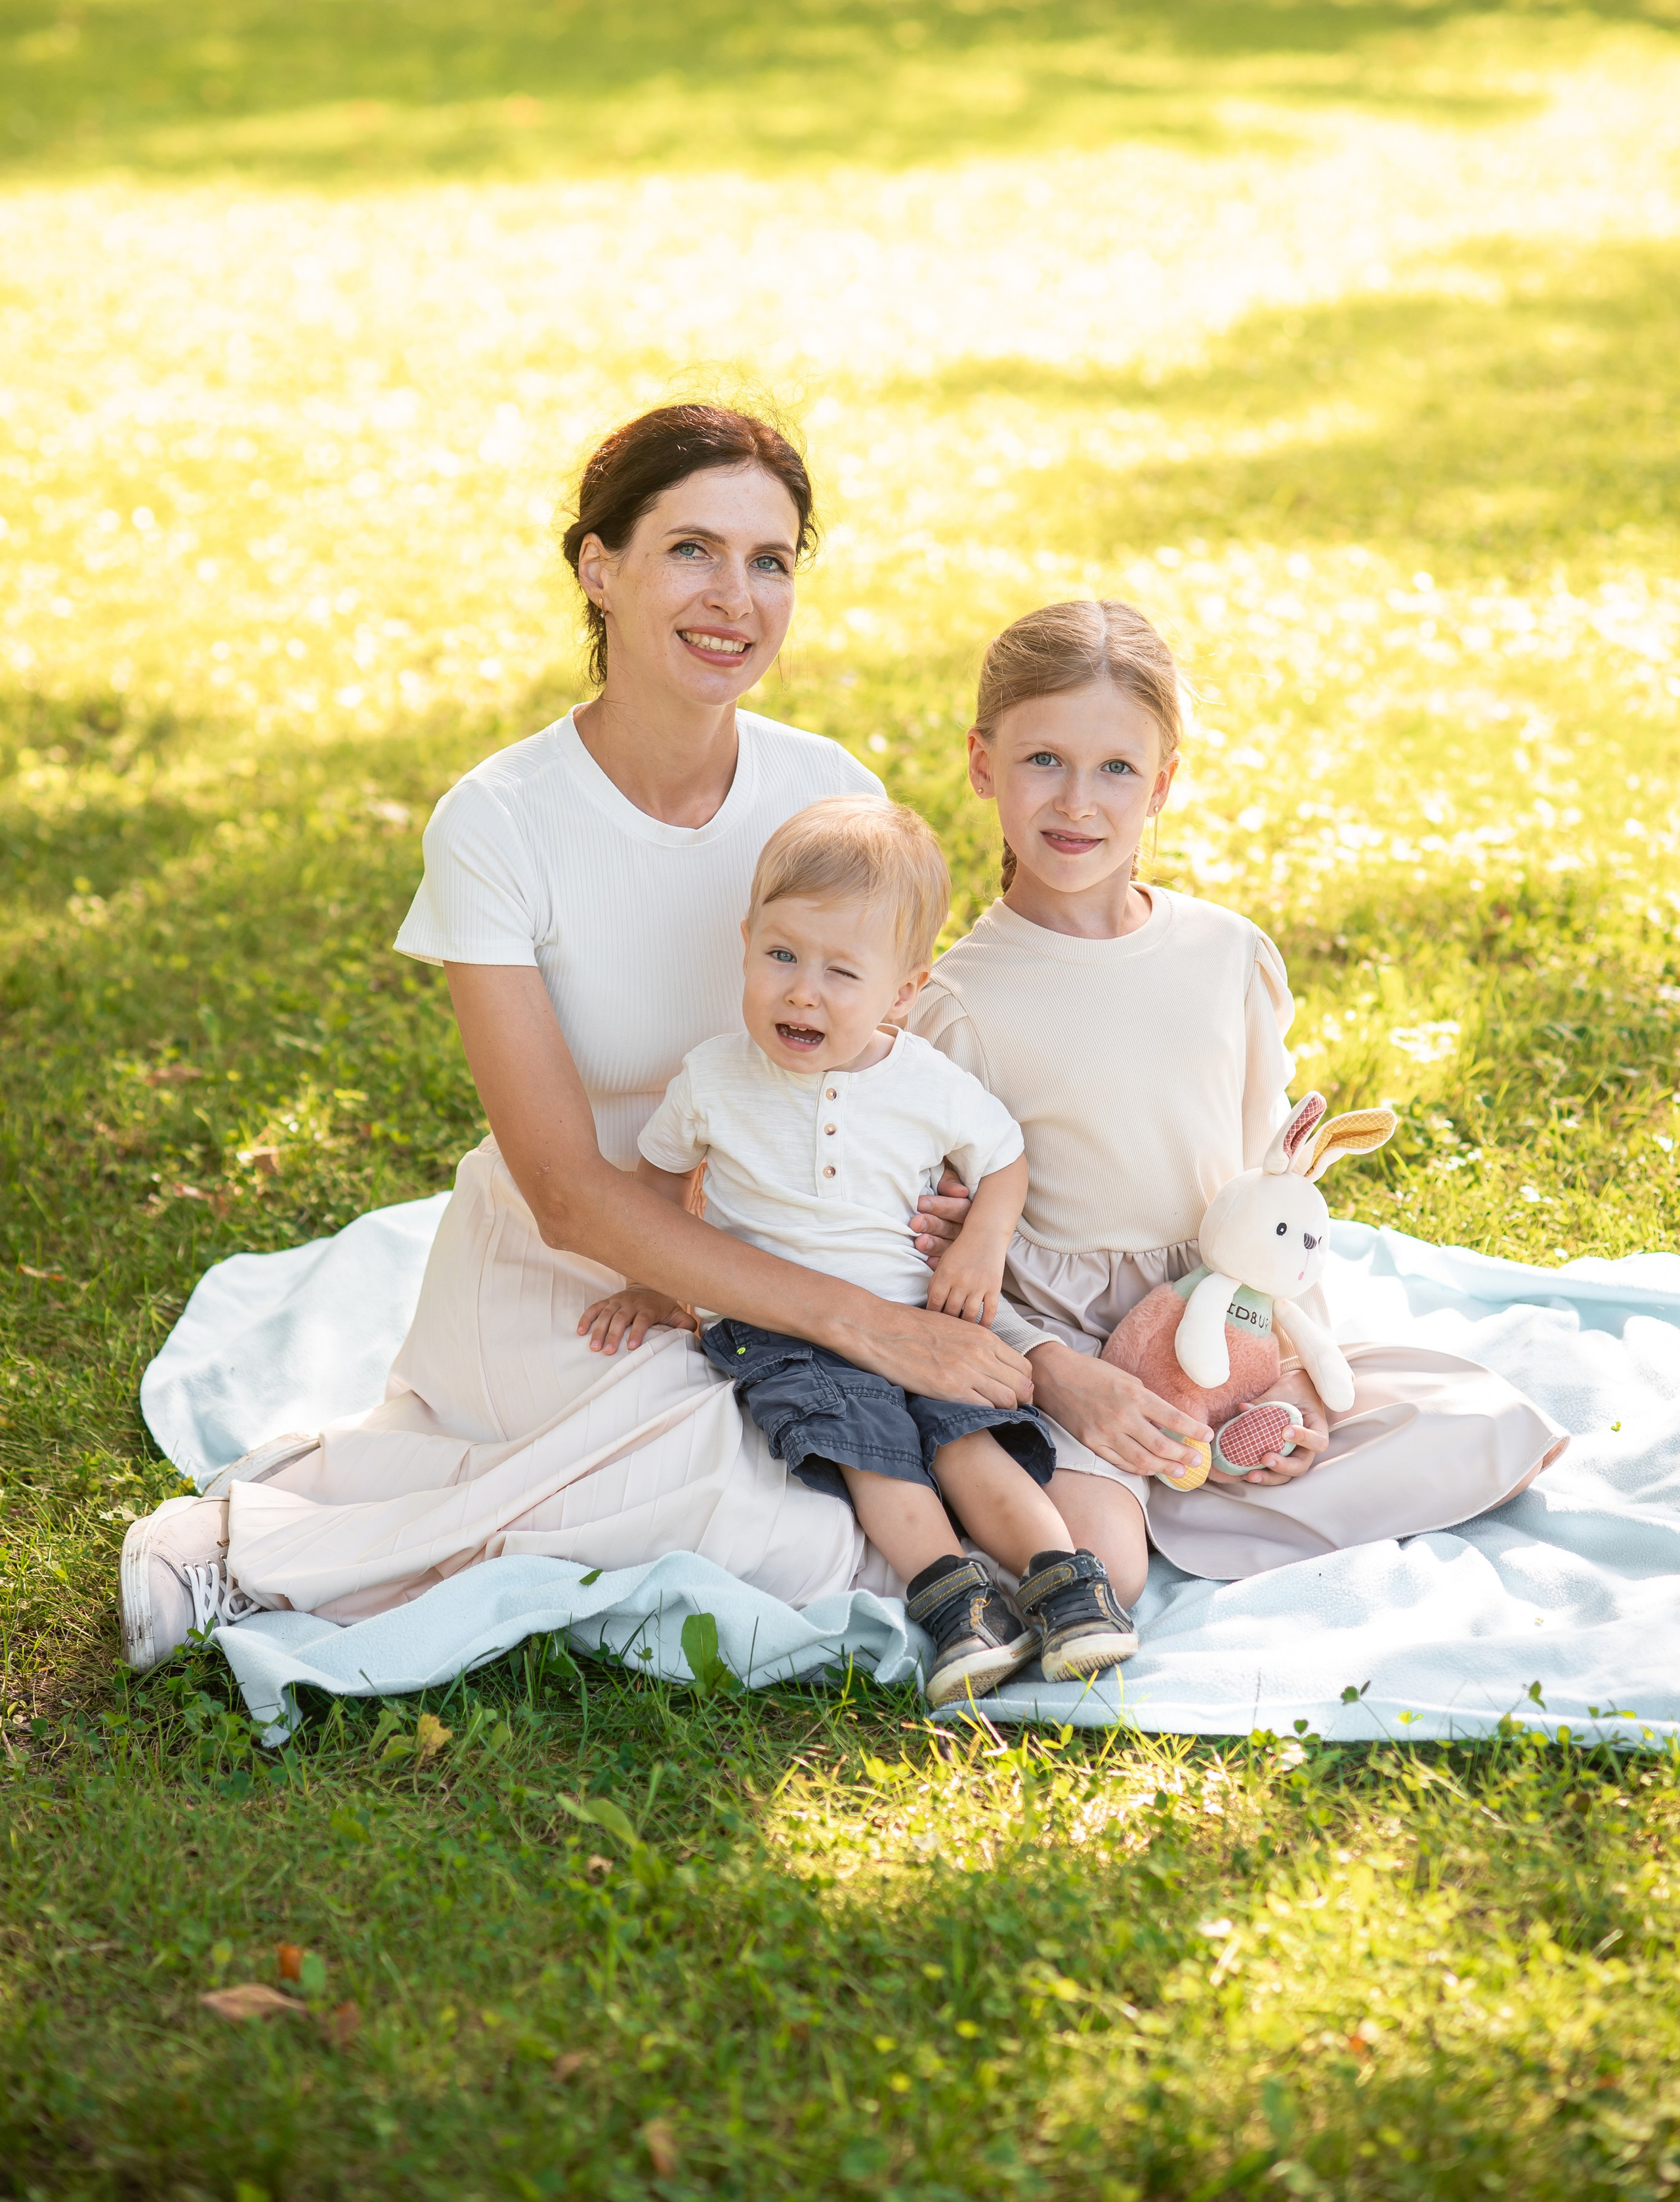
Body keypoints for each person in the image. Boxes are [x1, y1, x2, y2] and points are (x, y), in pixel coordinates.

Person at [119, 404, 1035, 1672]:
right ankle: (250, 1542)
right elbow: (560, 1189)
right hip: (583, 1272)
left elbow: (883, 1057)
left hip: (782, 1237)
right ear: (598, 567)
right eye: (692, 551)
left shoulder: (825, 790)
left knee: (859, 1484)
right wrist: (865, 1326)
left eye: (771, 561)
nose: (735, 598)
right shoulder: (498, 819)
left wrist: (932, 1216)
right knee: (776, 1514)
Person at [905, 597, 1568, 1586]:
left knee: (1491, 1427)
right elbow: (939, 1256)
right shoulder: (960, 1003)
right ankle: (1140, 1485)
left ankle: (1220, 1463)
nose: (1078, 803)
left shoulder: (1227, 955)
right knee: (1100, 1574)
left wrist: (1292, 1375)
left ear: (1163, 783)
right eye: (1043, 761)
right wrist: (1059, 1374)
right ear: (981, 764)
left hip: (1227, 1317)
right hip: (1067, 1347)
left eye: (1118, 769)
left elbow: (1273, 1190)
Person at [581, 794, 1139, 1706]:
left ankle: (1068, 1587)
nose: (804, 991)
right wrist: (654, 1284)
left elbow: (1004, 1162)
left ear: (903, 993)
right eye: (781, 956)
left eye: (844, 973)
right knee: (874, 1454)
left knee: (968, 1445)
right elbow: (657, 1185)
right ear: (747, 941)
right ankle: (959, 1607)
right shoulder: (714, 1077)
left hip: (926, 1315)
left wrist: (981, 1251)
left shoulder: (925, 1081)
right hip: (781, 1330)